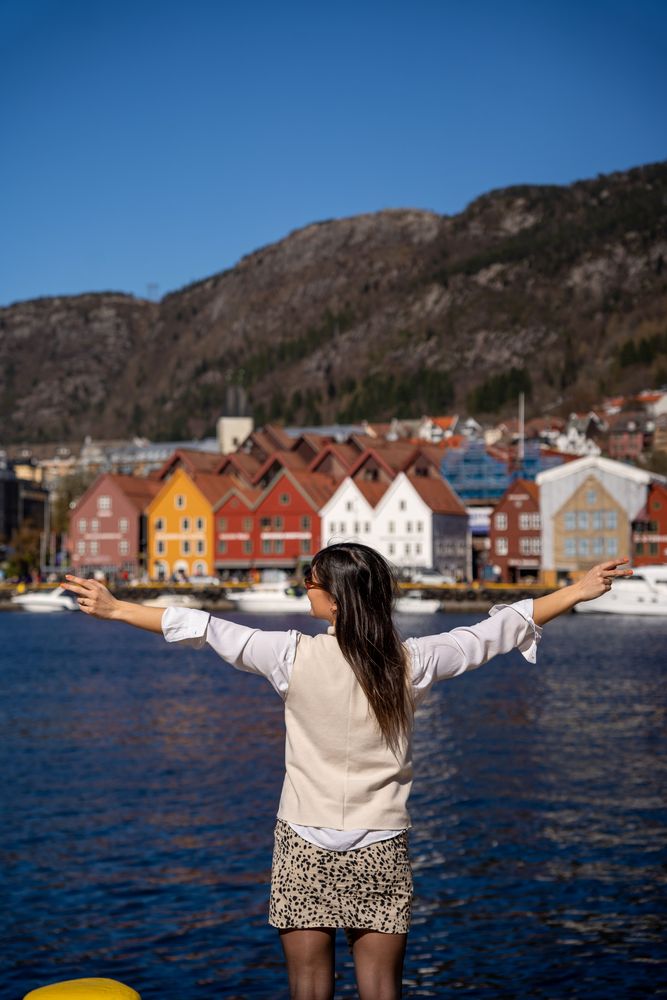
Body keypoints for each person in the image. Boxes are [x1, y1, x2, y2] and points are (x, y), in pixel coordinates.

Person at [64, 544, 632, 1000]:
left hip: (303, 841)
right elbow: (497, 633)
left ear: (334, 598)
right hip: (380, 842)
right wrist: (579, 590)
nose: (303, 588)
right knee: (382, 990)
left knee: (308, 989)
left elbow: (202, 626)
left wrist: (116, 609)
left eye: (309, 581)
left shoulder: (289, 655)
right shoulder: (412, 662)